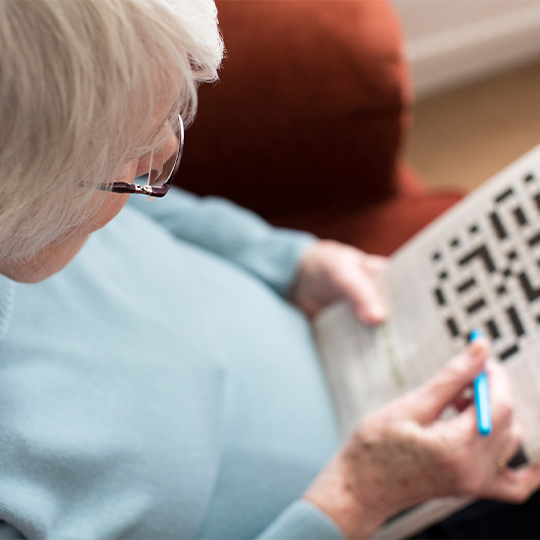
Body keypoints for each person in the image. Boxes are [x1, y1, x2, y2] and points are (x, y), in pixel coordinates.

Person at [0, 1, 539, 538]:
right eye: (135, 153)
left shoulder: (50, 199)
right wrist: (356, 498)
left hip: (345, 346)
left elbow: (155, 211)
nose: (165, 149)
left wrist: (290, 262)